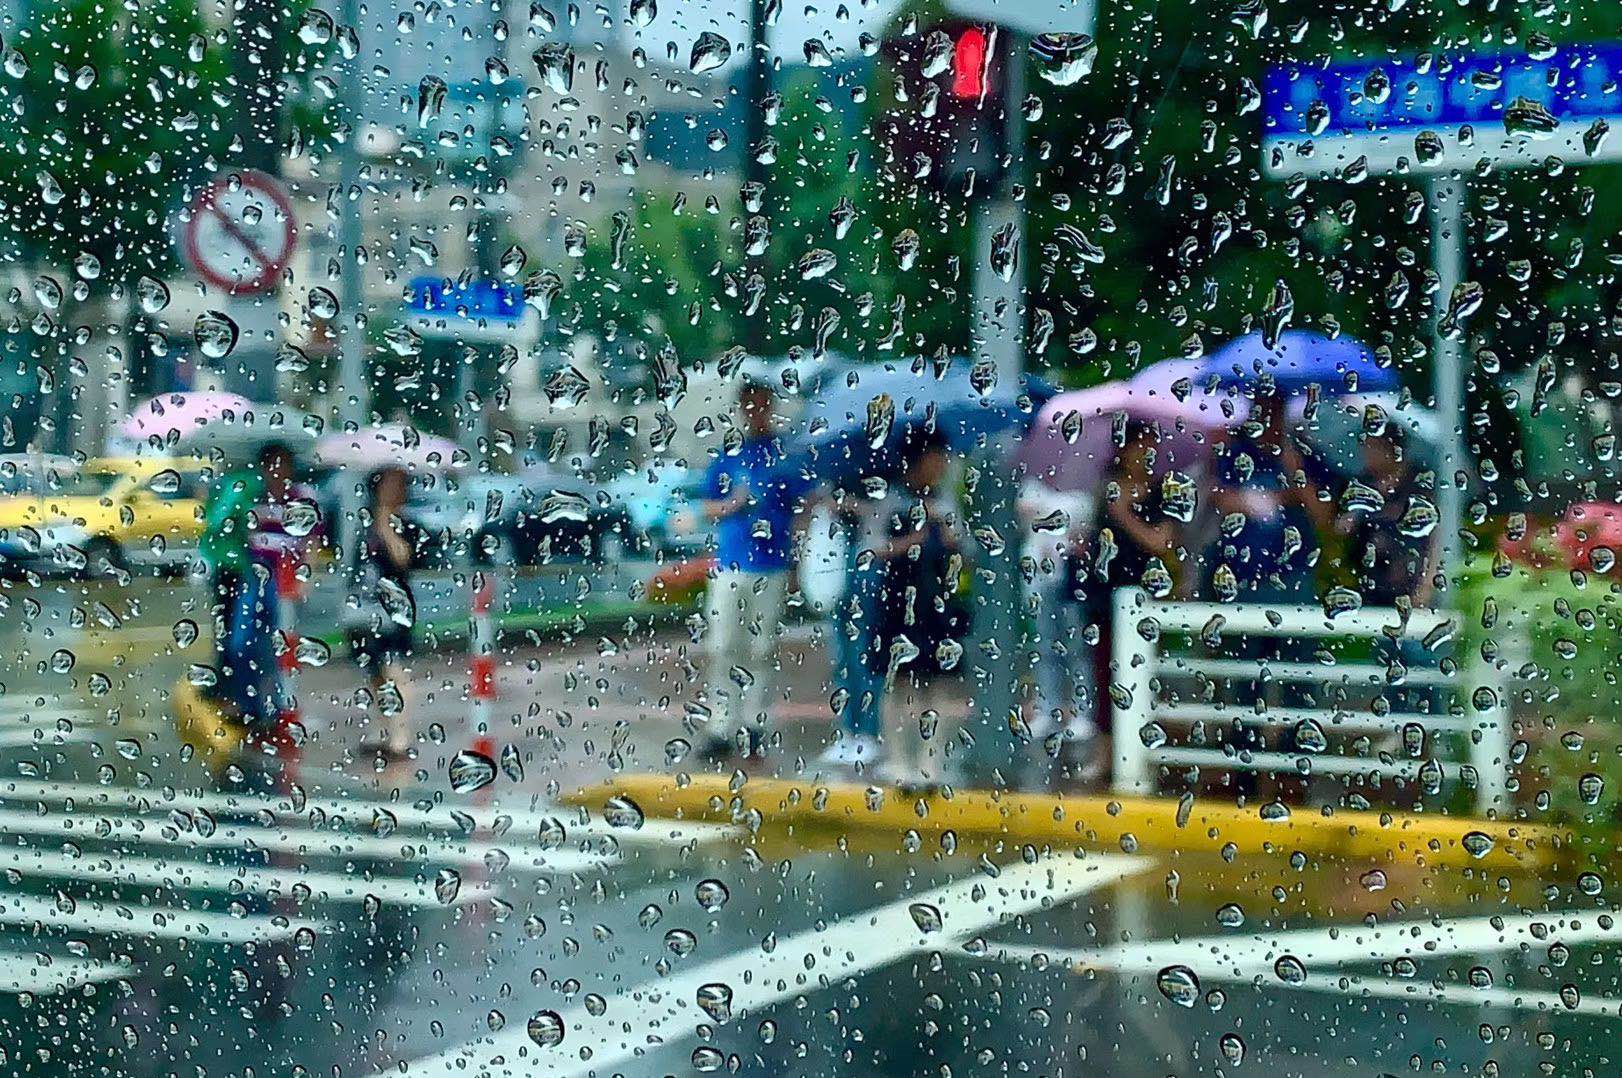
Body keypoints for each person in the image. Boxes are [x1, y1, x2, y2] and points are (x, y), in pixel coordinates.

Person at [698, 378, 807, 759]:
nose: (756, 412)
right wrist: (732, 505)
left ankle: (754, 725)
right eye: (749, 405)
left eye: (762, 405)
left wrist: (797, 562)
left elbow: (800, 511)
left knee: (761, 648)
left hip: (772, 565)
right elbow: (706, 505)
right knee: (723, 644)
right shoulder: (728, 456)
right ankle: (719, 726)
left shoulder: (784, 456)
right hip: (730, 561)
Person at [1071, 422, 1178, 784]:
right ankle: (1105, 754)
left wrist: (1125, 516)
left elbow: (1162, 541)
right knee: (1105, 677)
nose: (1144, 456)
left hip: (1143, 596)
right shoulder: (1108, 488)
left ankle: (1141, 752)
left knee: (1142, 676)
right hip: (1106, 596)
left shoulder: (1162, 492)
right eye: (1138, 447)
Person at [869, 426, 966, 791]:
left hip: (936, 600)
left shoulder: (944, 501)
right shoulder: (892, 500)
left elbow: (963, 549)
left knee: (938, 684)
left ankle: (931, 762)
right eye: (935, 457)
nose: (940, 465)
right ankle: (898, 760)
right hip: (897, 600)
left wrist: (949, 533)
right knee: (897, 683)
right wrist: (912, 539)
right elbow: (872, 545)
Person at [201, 441, 312, 724]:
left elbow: (312, 539)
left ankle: (276, 707)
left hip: (284, 578)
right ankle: (248, 704)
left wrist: (305, 573)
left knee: (278, 645)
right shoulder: (255, 498)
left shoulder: (301, 497)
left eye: (282, 464)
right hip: (255, 574)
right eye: (271, 465)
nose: (277, 472)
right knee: (241, 642)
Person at [349, 465, 423, 763]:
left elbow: (404, 560)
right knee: (376, 676)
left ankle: (400, 738)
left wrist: (387, 528)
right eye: (391, 485)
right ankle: (383, 732)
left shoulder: (404, 524)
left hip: (396, 611)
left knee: (397, 673)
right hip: (366, 610)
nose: (397, 491)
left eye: (401, 485)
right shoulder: (364, 526)